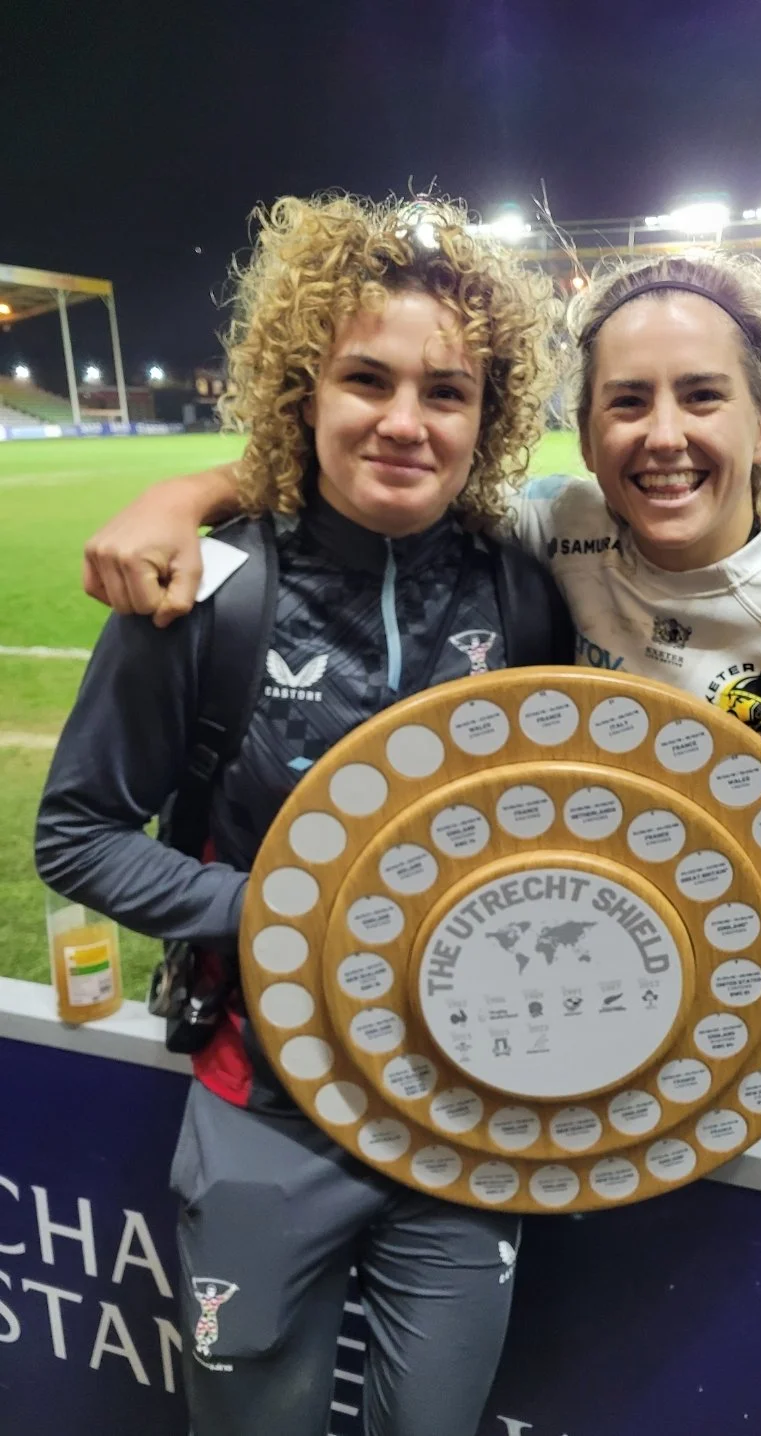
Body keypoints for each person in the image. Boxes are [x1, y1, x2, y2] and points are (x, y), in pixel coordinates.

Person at [80, 243, 761, 1132]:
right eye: (627, 402)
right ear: (583, 432)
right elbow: (375, 461)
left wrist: (750, 907)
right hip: (545, 1029)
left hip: (739, 1053)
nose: (663, 435)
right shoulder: (544, 533)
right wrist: (186, 497)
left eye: (701, 396)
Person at [36, 193, 573, 1436]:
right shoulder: (207, 592)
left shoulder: (523, 596)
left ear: (484, 418)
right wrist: (278, 914)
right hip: (264, 1115)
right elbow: (76, 832)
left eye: (446, 391)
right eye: (365, 379)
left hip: (466, 1121)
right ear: (302, 392)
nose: (402, 419)